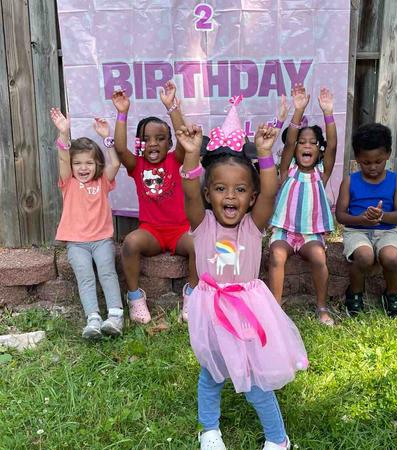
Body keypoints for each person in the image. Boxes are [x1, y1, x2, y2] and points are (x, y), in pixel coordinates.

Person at [176, 97, 308, 450]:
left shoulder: (253, 227)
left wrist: (265, 154)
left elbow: (271, 189)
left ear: (251, 197)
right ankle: (209, 431)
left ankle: (278, 440)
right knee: (211, 373)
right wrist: (191, 155)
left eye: (240, 189)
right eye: (220, 189)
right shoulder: (201, 224)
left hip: (245, 312)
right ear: (208, 194)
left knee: (254, 381)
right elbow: (188, 190)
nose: (230, 196)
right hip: (210, 310)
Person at [111, 81, 198, 324]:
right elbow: (119, 148)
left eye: (160, 139)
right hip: (152, 232)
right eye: (146, 139)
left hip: (179, 230)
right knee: (129, 243)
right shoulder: (136, 165)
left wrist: (172, 107)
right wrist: (122, 112)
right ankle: (135, 297)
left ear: (169, 144)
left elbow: (185, 139)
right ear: (139, 144)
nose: (153, 143)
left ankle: (192, 295)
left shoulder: (176, 160)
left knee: (199, 246)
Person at [50, 108, 124, 337]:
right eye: (78, 163)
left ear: (97, 165)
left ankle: (115, 317)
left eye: (89, 163)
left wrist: (107, 138)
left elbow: (116, 164)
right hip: (77, 243)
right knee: (85, 277)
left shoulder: (103, 181)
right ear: (71, 167)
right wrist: (64, 134)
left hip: (101, 240)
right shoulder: (69, 182)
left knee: (107, 273)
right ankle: (93, 319)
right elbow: (63, 157)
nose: (83, 168)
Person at [268, 84, 337, 325]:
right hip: (284, 232)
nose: (307, 146)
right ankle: (275, 309)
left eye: (313, 143)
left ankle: (322, 307)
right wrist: (298, 111)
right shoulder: (287, 170)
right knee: (277, 255)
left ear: (319, 150)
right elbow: (288, 144)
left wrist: (328, 113)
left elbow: (334, 146)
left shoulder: (321, 173)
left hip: (310, 234)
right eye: (302, 142)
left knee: (319, 257)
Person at [335, 123, 397, 317]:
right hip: (356, 230)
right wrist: (361, 220)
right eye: (366, 162)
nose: (373, 167)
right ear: (357, 158)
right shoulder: (350, 181)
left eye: (378, 161)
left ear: (388, 155)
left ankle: (391, 294)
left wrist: (381, 216)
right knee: (365, 257)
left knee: (392, 258)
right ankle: (355, 293)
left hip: (388, 231)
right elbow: (340, 216)